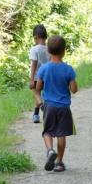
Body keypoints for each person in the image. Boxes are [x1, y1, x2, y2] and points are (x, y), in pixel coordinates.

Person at [34, 35, 78, 172]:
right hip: (64, 107)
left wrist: (40, 103)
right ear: (64, 51)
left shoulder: (44, 69)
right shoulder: (68, 69)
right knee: (61, 134)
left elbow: (38, 88)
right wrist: (70, 81)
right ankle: (59, 162)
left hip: (49, 106)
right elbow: (74, 90)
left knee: (47, 132)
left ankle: (50, 151)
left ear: (48, 51)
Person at [29, 25, 50, 123]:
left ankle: (42, 106)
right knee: (42, 95)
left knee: (37, 94)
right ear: (46, 37)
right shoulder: (49, 49)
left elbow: (34, 64)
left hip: (37, 76)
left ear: (35, 37)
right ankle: (36, 115)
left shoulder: (34, 49)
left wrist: (31, 79)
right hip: (47, 77)